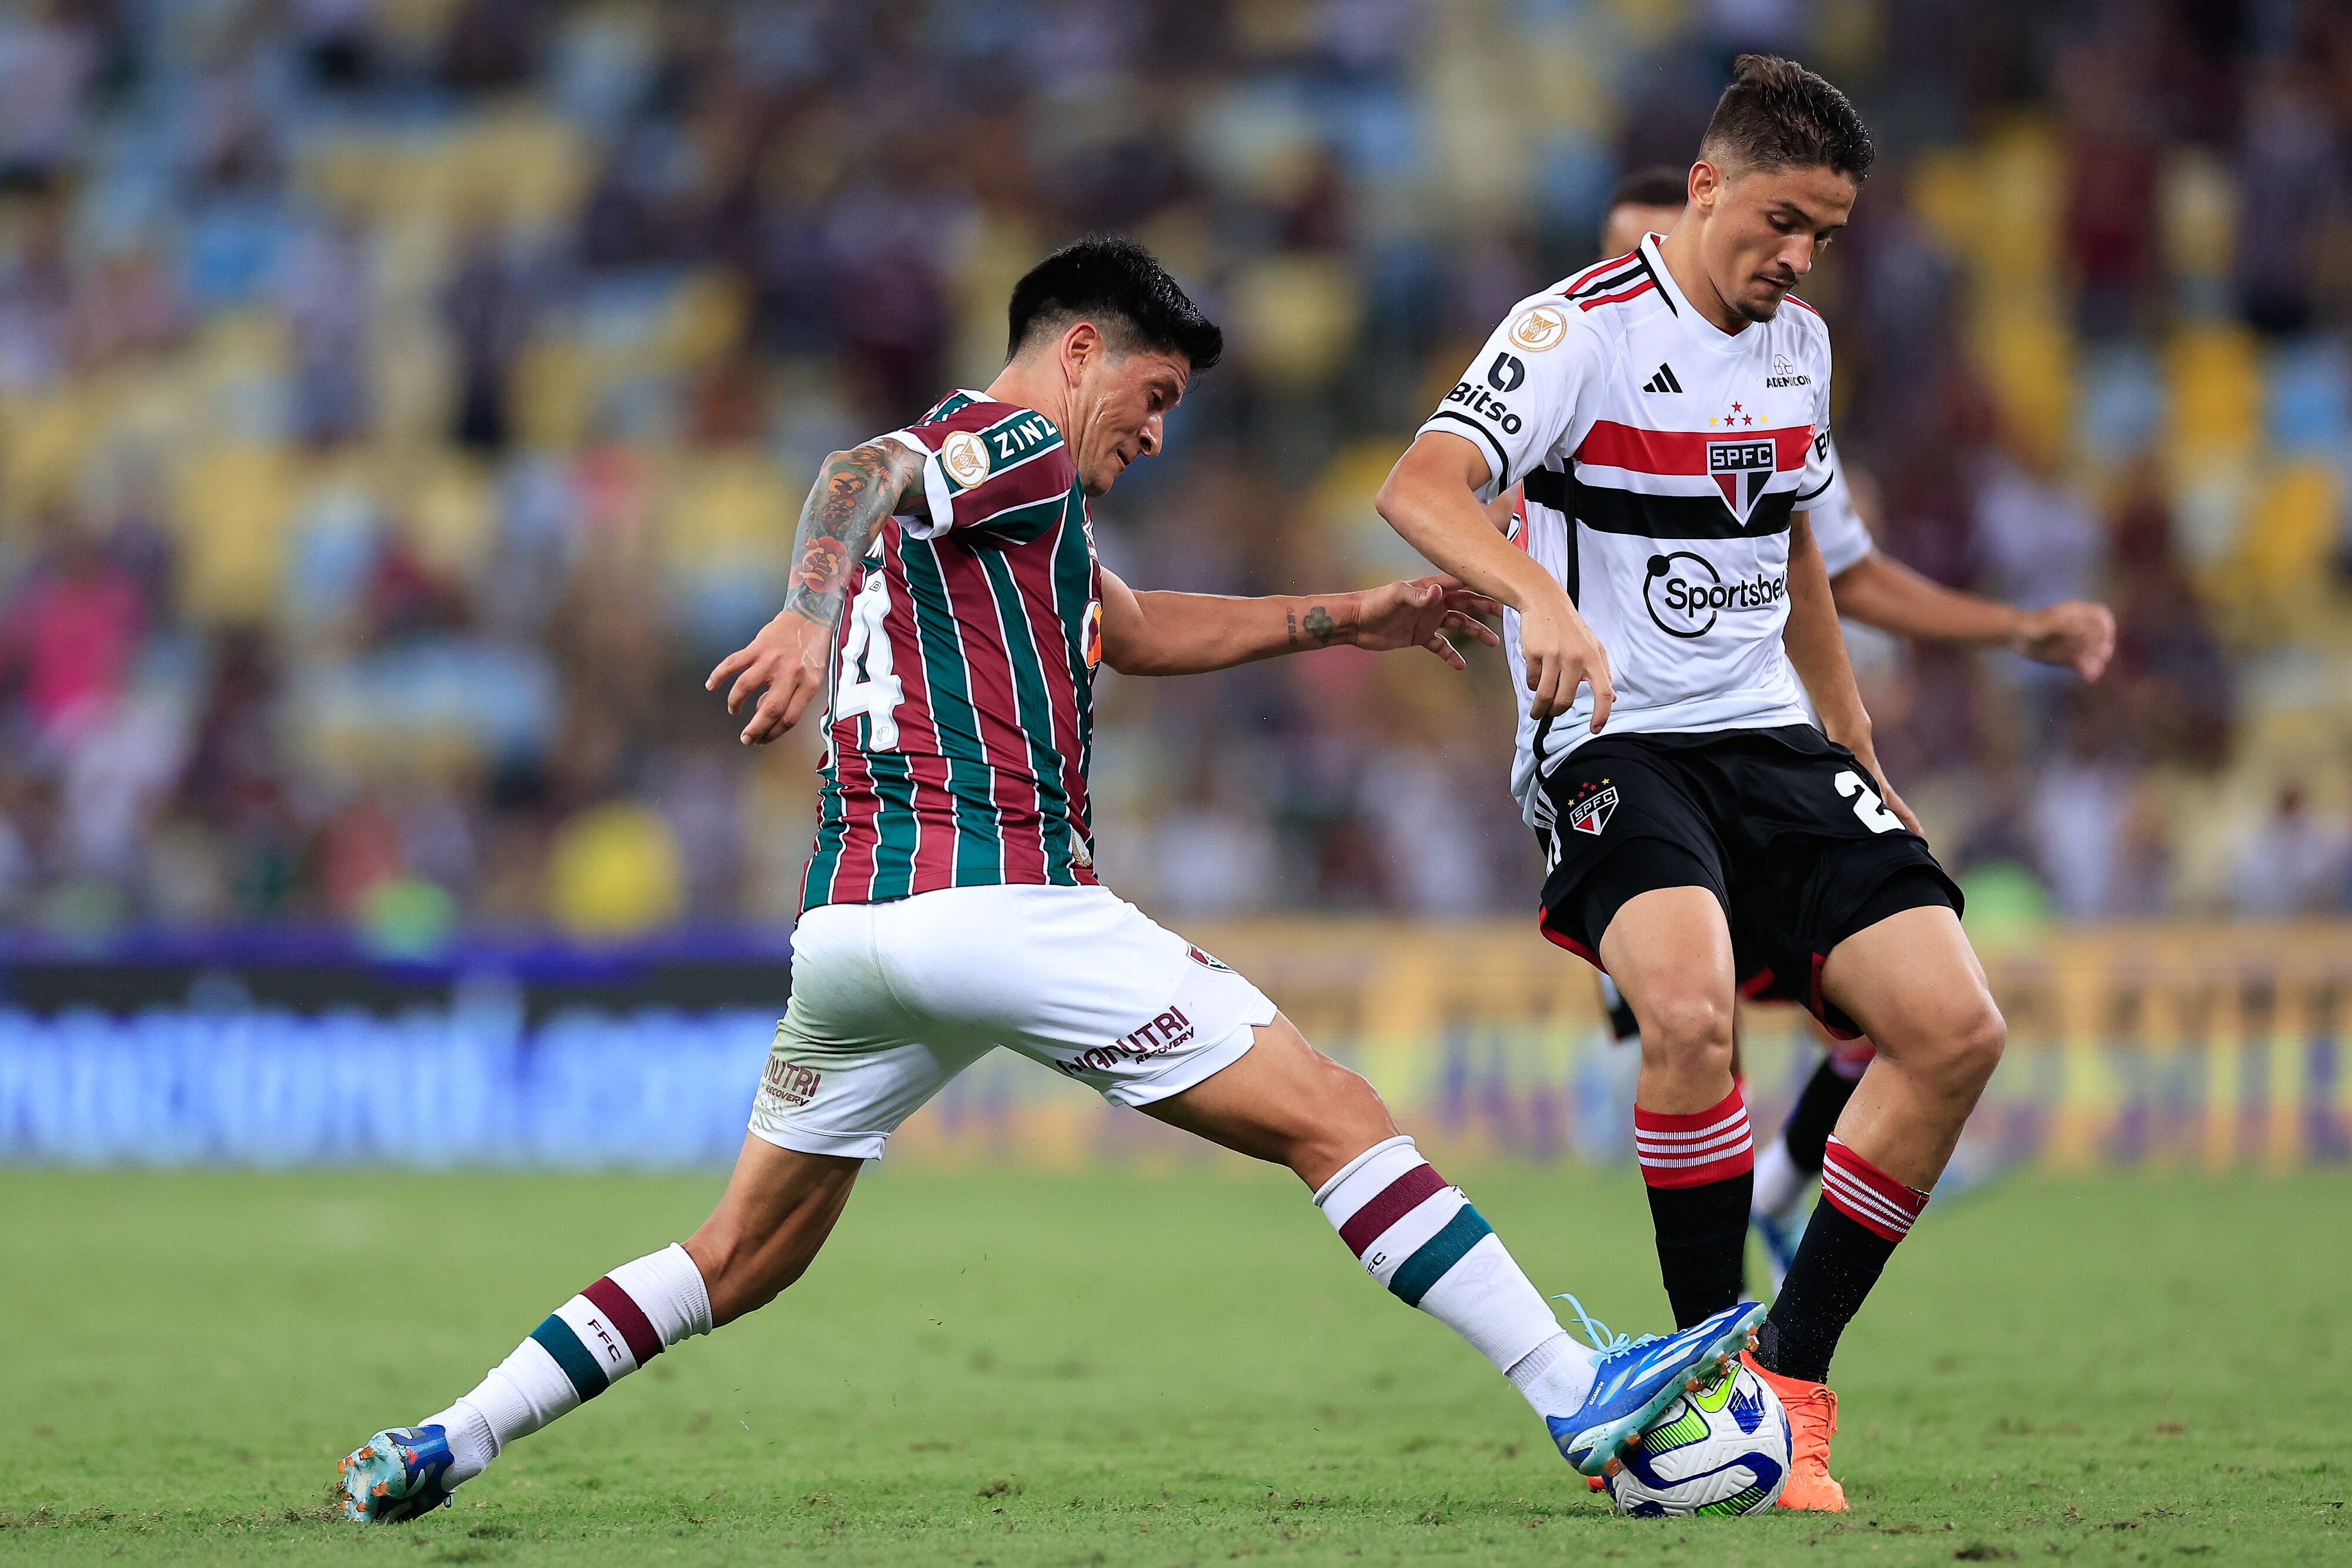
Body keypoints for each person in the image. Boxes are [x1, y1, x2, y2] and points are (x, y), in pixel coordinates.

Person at [335, 238, 1764, 1524]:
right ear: (1078, 350)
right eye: (1151, 394)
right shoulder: (1006, 439)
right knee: (1332, 1111)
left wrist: (1354, 614)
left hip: (851, 929)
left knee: (739, 1253)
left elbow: (1128, 629)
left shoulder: (1020, 519)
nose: (1155, 430)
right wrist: (801, 611)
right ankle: (1568, 1383)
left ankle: (450, 1436)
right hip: (1004, 901)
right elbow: (855, 470)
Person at [1376, 57, 2010, 1512]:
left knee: (1954, 1027)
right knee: (1685, 1011)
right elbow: (1415, 487)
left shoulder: (1801, 348)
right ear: (1706, 186)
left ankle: (1788, 1383)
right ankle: (1698, 1375)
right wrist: (1537, 595)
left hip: (1768, 737)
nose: (1798, 258)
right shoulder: (1570, 330)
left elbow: (1795, 553)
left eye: (1825, 236)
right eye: (1781, 222)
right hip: (1612, 737)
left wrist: (1857, 751)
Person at [1589, 166, 2116, 1286]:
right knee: (1698, 1027)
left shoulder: (1774, 382)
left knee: (1899, 1012)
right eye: (1619, 252)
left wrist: (2010, 631)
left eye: (1653, 246)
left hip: (1766, 758)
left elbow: (1839, 568)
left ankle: (1775, 1217)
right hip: (1630, 776)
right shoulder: (1570, 378)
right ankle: (1721, 1318)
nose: (1640, 272)